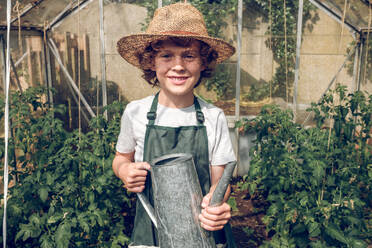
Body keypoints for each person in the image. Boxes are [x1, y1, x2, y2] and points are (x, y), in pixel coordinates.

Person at [113, 2, 237, 247]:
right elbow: (120, 158)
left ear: (203, 62)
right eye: (166, 55)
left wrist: (218, 201)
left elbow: (219, 182)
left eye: (189, 56)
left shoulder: (213, 117)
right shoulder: (135, 112)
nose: (178, 66)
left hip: (202, 232)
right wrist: (124, 171)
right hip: (151, 233)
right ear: (151, 62)